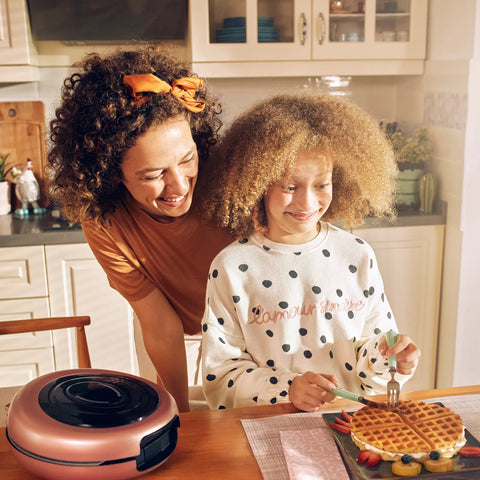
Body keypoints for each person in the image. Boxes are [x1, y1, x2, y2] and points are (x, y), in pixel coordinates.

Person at [200, 93, 421, 412]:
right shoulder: (232, 267)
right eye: (290, 187)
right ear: (258, 183)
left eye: (321, 185)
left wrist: (393, 358)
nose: (307, 203)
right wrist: (287, 388)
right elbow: (221, 377)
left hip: (349, 425)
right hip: (270, 425)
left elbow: (372, 356)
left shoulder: (356, 254)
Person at [48, 45, 232, 412]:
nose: (179, 186)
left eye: (187, 159)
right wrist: (181, 415)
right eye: (152, 175)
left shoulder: (232, 181)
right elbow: (160, 324)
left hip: (245, 328)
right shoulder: (105, 220)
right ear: (110, 174)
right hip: (165, 331)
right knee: (168, 414)